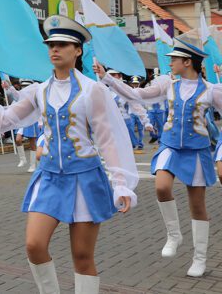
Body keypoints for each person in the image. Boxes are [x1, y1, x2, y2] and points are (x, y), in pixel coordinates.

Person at [0, 15, 137, 293]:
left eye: (63, 44)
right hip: (48, 178)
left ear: (78, 50)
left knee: (82, 257)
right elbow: (2, 121)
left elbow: (107, 140)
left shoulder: (92, 90)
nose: (55, 49)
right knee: (34, 245)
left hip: (85, 178)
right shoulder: (39, 91)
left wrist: (120, 183)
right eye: (51, 45)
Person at [94, 39, 220, 278]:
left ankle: (199, 258)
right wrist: (107, 78)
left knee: (197, 206)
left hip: (196, 150)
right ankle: (174, 234)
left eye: (174, 59)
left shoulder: (211, 90)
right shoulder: (167, 85)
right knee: (162, 187)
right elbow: (136, 94)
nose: (169, 62)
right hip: (170, 146)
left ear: (187, 62)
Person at [106, 70, 152, 153]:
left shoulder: (126, 90)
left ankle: (137, 144)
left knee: (129, 141)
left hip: (126, 119)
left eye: (113, 75)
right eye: (109, 75)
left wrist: (146, 122)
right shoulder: (104, 90)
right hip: (112, 121)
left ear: (119, 76)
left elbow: (137, 106)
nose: (111, 77)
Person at [5, 79, 41, 173]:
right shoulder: (22, 95)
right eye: (23, 86)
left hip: (32, 121)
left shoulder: (36, 96)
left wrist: (40, 122)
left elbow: (40, 110)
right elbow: (16, 96)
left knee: (33, 143)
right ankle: (23, 159)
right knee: (18, 139)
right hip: (23, 121)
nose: (25, 88)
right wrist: (9, 86)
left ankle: (33, 165)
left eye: (27, 86)